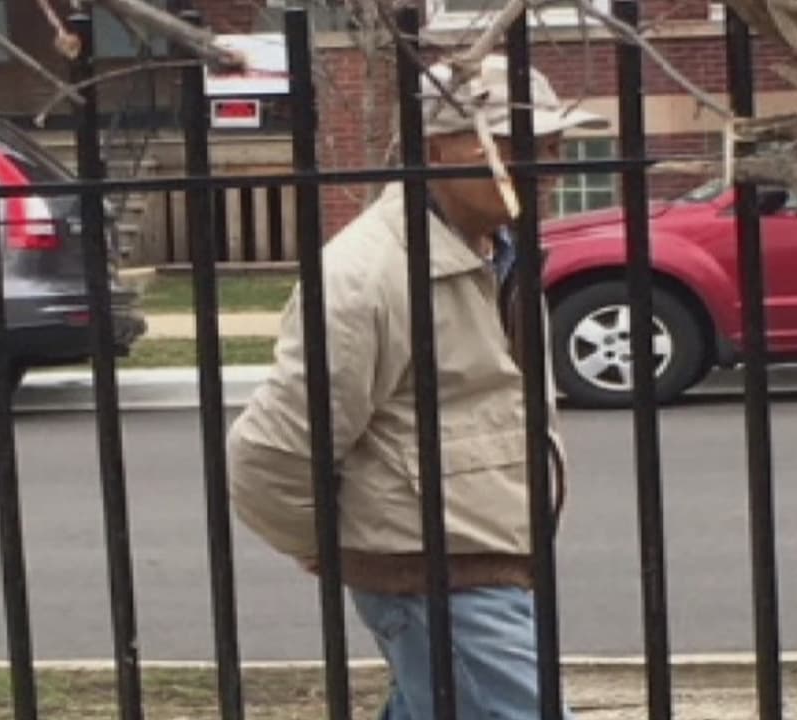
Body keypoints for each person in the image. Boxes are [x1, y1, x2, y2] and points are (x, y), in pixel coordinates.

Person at [227, 54, 606, 720]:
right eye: (510, 143)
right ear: (434, 150)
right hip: (436, 575)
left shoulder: (497, 250)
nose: (542, 164)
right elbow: (271, 454)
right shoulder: (367, 276)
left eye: (551, 145)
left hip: (486, 557)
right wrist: (322, 545)